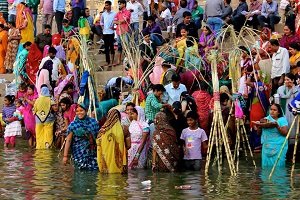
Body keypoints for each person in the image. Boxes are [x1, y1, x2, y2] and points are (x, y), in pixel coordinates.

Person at [63, 103, 100, 170]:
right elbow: (68, 141)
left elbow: (98, 137)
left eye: (81, 110)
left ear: (86, 111)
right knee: (79, 175)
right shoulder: (73, 125)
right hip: (79, 154)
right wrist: (65, 156)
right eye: (77, 111)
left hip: (93, 153)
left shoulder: (94, 122)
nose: (79, 113)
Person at [254, 103, 288, 168]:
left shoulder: (282, 120)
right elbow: (258, 134)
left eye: (274, 110)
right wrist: (259, 126)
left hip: (279, 146)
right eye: (271, 109)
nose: (272, 111)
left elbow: (285, 133)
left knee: (278, 167)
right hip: (267, 146)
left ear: (278, 112)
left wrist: (277, 126)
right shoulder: (265, 120)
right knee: (265, 167)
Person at [97, 109, 128, 173]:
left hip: (105, 162)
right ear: (119, 117)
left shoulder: (102, 131)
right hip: (120, 163)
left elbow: (98, 145)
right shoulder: (124, 128)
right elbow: (129, 146)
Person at [277, 73, 299, 150]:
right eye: (285, 80)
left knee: (294, 128)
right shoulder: (281, 89)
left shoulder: (296, 89)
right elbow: (281, 97)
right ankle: (285, 147)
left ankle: (293, 147)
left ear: (293, 80)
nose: (286, 81)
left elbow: (297, 99)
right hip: (284, 110)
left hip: (293, 112)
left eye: (288, 80)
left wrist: (293, 88)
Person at [114, 0, 131, 65]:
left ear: (124, 4)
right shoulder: (118, 13)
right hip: (118, 32)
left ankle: (128, 60)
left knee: (126, 46)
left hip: (125, 31)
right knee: (119, 46)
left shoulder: (128, 12)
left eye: (120, 4)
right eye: (119, 4)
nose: (119, 5)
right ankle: (119, 60)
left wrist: (119, 21)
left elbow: (124, 20)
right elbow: (114, 21)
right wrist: (119, 22)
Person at [101, 1, 116, 67]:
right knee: (106, 48)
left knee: (112, 47)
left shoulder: (114, 13)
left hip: (111, 33)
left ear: (110, 5)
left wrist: (114, 27)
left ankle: (112, 61)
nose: (106, 6)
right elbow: (101, 22)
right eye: (105, 5)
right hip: (105, 33)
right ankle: (107, 61)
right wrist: (103, 28)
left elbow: (116, 22)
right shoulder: (103, 14)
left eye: (107, 5)